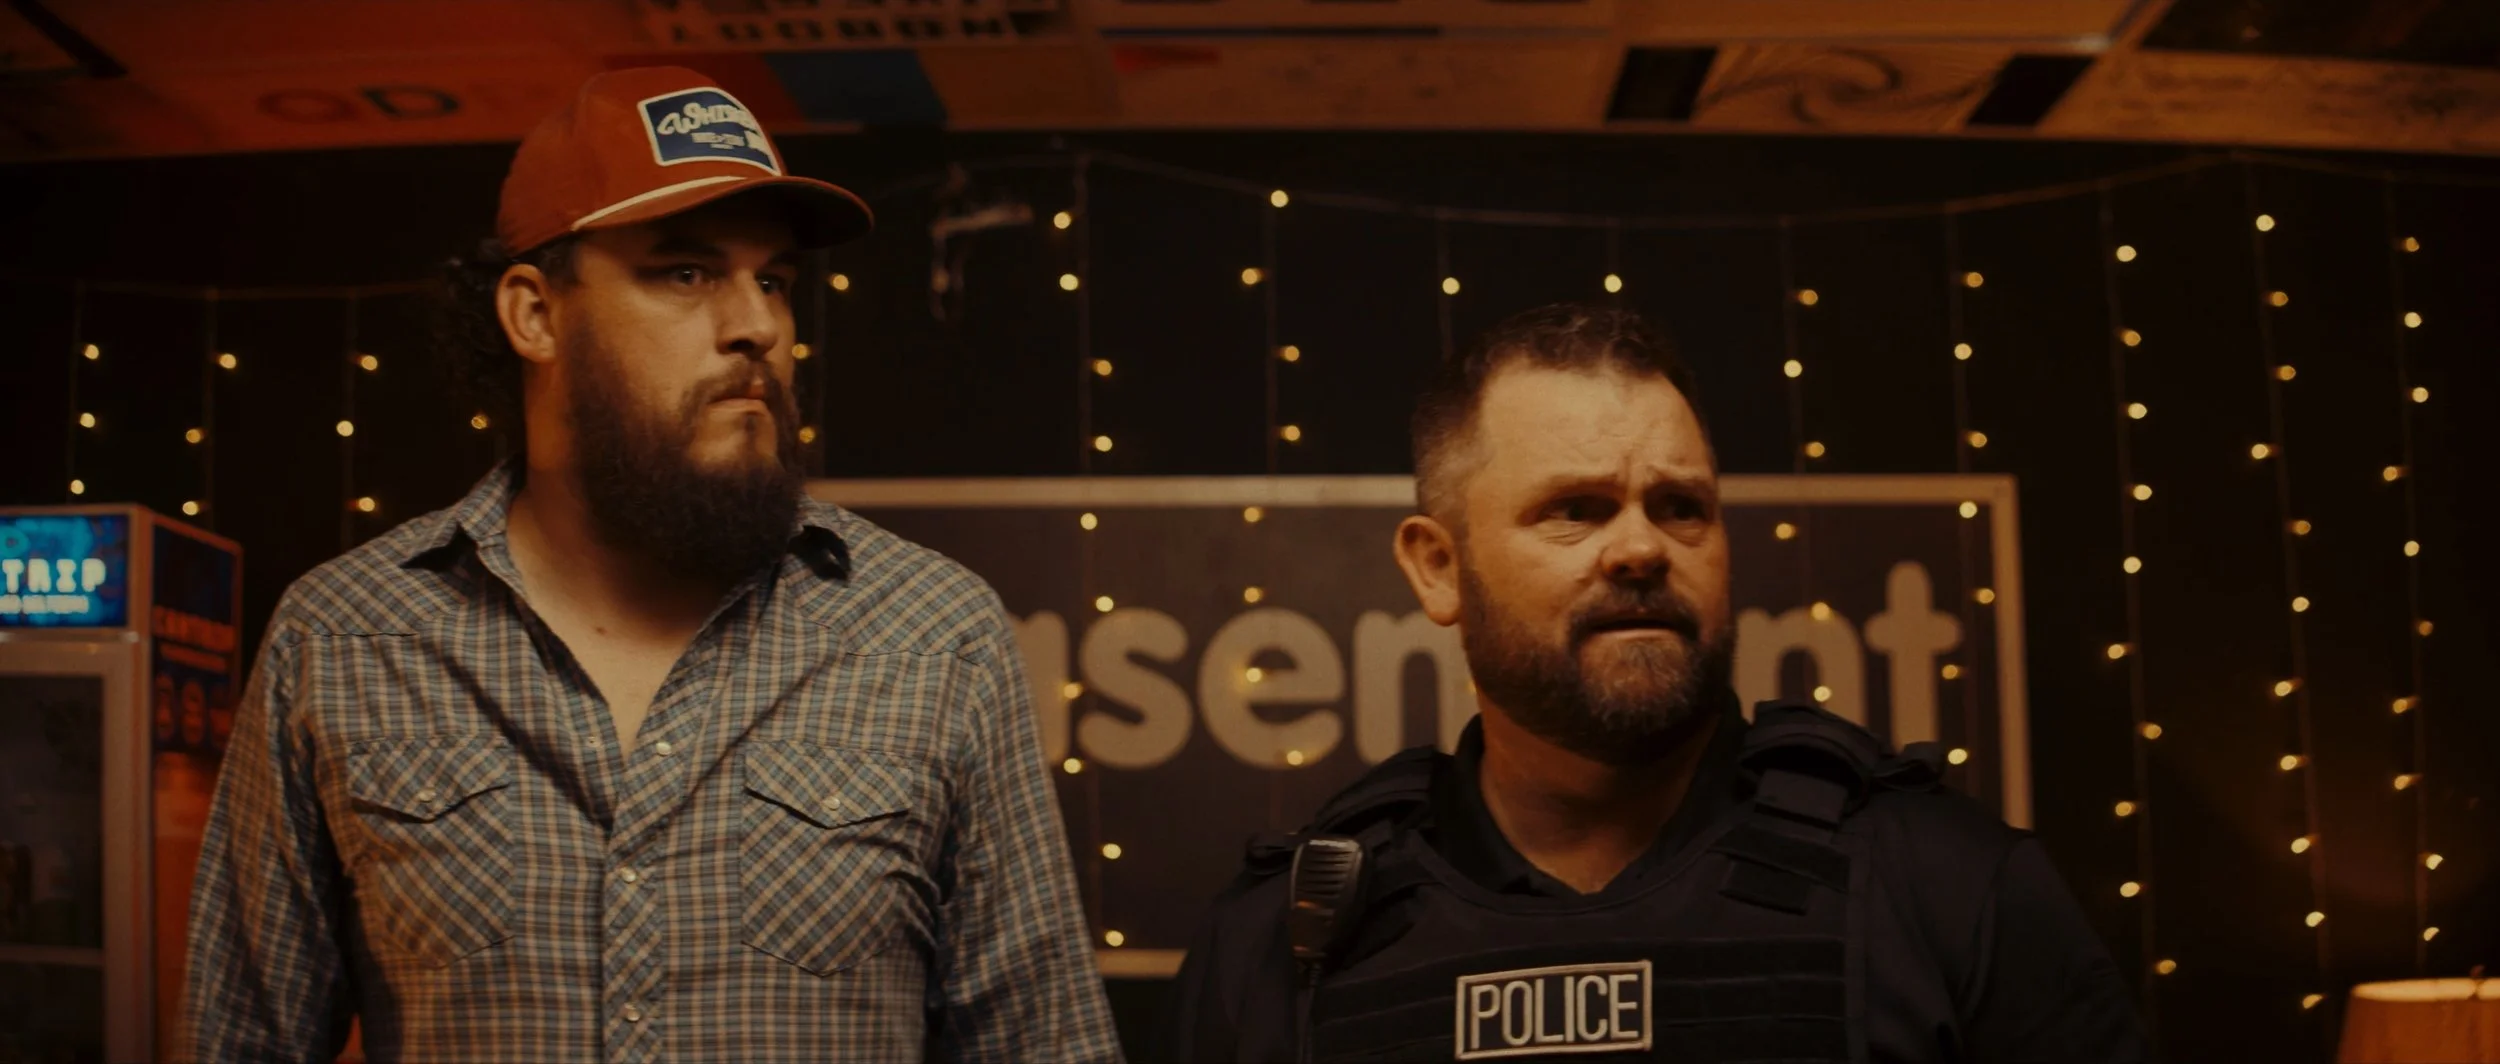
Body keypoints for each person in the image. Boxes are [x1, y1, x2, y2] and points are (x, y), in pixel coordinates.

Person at [178, 67, 1121, 1063]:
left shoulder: (932, 632)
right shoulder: (342, 636)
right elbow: (237, 1037)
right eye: (685, 272)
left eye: (773, 280)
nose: (756, 323)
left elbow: (1042, 1041)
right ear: (535, 314)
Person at [1166, 304, 2146, 1063]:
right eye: (1575, 509)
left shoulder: (1946, 883)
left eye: (1680, 505)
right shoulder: (1284, 936)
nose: (1639, 546)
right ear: (1437, 567)